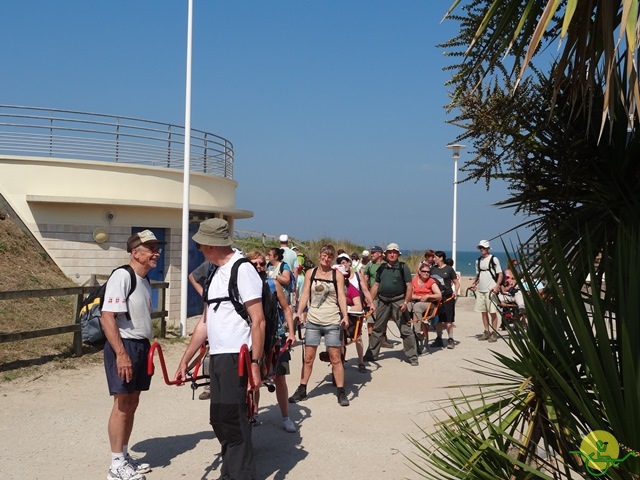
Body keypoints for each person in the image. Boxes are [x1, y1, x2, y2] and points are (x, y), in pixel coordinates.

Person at [174, 218, 265, 480]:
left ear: (210, 245)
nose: (199, 249)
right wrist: (185, 361)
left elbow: (258, 320)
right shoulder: (214, 272)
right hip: (218, 354)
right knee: (219, 418)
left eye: (201, 245)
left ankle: (239, 475)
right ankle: (232, 472)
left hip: (238, 356)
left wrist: (256, 364)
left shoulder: (242, 269)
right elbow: (205, 321)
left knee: (233, 420)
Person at [101, 229, 161, 480]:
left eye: (157, 248)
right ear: (135, 253)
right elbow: (107, 317)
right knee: (122, 405)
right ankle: (116, 465)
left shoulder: (144, 280)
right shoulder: (122, 276)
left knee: (132, 404)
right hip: (124, 346)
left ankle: (124, 456)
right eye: (150, 249)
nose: (156, 253)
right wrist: (121, 354)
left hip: (139, 346)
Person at [288, 244, 351, 407]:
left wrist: (345, 316)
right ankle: (302, 388)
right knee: (308, 358)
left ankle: (341, 390)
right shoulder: (311, 273)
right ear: (319, 255)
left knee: (336, 358)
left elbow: (342, 297)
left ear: (332, 259)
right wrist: (299, 312)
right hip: (314, 320)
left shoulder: (337, 275)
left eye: (330, 256)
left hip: (331, 320)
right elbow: (305, 295)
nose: (326, 258)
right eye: (324, 255)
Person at [245, 251, 297, 433]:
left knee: (280, 377)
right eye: (254, 264)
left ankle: (286, 417)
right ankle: (254, 413)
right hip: (253, 337)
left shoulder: (273, 284)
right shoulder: (243, 286)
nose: (259, 267)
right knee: (252, 377)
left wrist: (291, 332)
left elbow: (286, 308)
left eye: (261, 264)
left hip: (276, 336)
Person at [363, 243, 419, 366]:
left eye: (395, 252)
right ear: (386, 254)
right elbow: (376, 285)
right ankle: (371, 354)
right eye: (390, 252)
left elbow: (409, 286)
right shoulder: (381, 268)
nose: (392, 254)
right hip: (383, 301)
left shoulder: (403, 267)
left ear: (398, 254)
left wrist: (405, 302)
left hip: (398, 300)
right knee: (377, 328)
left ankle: (412, 356)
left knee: (405, 329)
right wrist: (370, 302)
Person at [336, 252, 375, 372]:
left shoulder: (357, 276)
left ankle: (361, 361)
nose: (343, 264)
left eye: (344, 261)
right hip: (343, 308)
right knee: (340, 335)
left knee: (357, 337)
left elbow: (364, 289)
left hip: (355, 307)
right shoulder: (337, 277)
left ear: (349, 263)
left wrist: (371, 302)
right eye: (340, 262)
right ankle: (340, 359)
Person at [470, 240, 503, 343]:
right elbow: (478, 275)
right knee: (483, 312)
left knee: (492, 312)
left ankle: (494, 332)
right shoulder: (478, 261)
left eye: (483, 248)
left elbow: (500, 273)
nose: (481, 249)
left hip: (491, 289)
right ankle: (486, 331)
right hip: (481, 290)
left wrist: (497, 286)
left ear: (488, 248)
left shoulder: (494, 259)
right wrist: (474, 284)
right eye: (480, 248)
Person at [430, 251, 460, 349]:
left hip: (448, 297)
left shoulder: (449, 269)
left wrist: (455, 291)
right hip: (436, 298)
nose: (433, 259)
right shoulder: (432, 269)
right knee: (438, 320)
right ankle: (439, 338)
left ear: (441, 258)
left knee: (448, 320)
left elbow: (456, 282)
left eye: (435, 257)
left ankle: (450, 339)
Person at [410, 264, 442, 351]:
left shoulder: (431, 281)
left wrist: (427, 296)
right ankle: (405, 329)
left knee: (417, 306)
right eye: (424, 271)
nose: (426, 273)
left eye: (428, 272)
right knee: (405, 306)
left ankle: (417, 332)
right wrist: (418, 297)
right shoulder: (414, 280)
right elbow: (410, 294)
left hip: (429, 304)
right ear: (419, 272)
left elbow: (439, 295)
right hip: (416, 300)